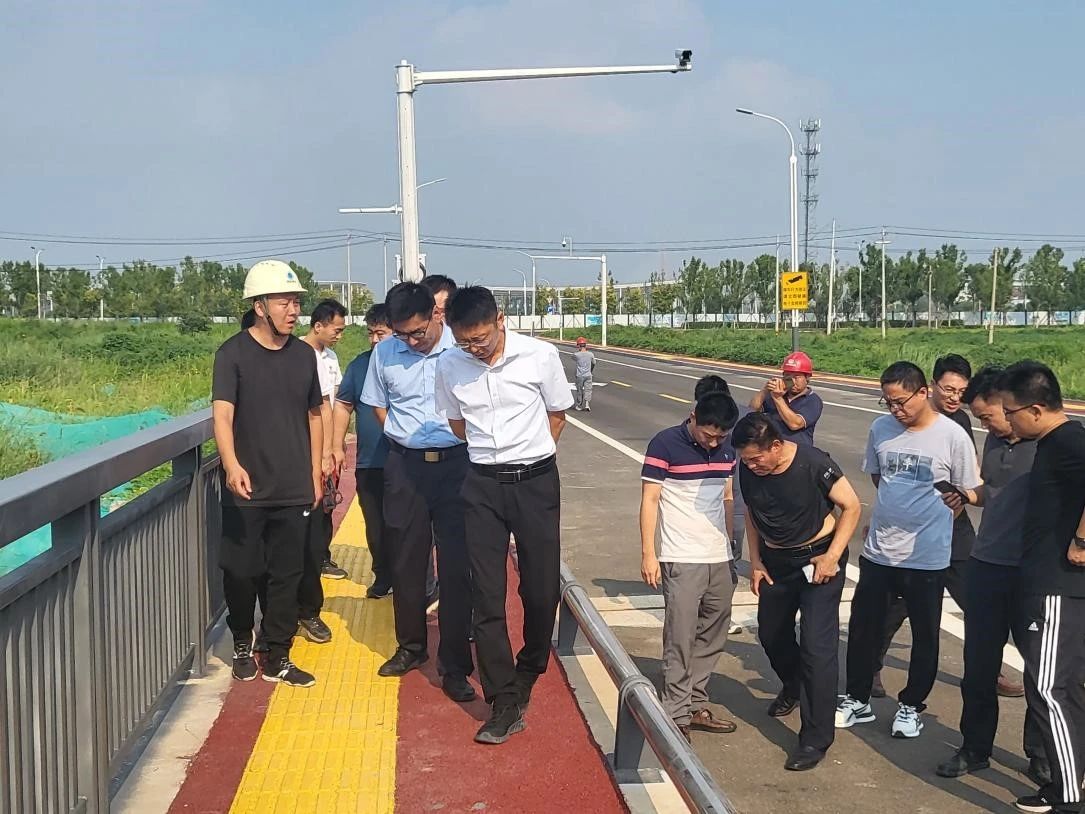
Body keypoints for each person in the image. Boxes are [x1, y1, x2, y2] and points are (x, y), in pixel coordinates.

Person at [435, 286, 573, 744]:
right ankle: (503, 700)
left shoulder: (539, 356)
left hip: (536, 482)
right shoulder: (449, 365)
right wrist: (494, 456)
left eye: (480, 339)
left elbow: (557, 414)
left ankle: (531, 662)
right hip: (481, 485)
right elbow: (457, 424)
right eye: (464, 342)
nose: (473, 348)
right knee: (486, 592)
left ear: (500, 320)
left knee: (541, 588)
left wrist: (530, 455)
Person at [836, 361, 980, 739]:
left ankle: (912, 706)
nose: (895, 409)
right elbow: (879, 475)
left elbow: (969, 489)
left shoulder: (952, 435)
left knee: (924, 635)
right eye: (888, 402)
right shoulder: (880, 428)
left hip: (927, 557)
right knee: (863, 628)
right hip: (880, 551)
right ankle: (857, 698)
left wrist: (940, 515)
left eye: (901, 401)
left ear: (922, 393)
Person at [871, 354, 1016, 696]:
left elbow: (970, 478)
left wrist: (963, 499)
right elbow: (884, 477)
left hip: (955, 529)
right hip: (913, 540)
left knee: (979, 603)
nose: (955, 397)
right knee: (896, 607)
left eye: (961, 392)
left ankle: (989, 670)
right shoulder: (896, 425)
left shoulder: (961, 423)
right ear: (930, 387)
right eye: (949, 389)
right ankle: (872, 667)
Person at [360, 282, 475, 704]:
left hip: (457, 465)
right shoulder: (385, 353)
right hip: (405, 467)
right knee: (406, 560)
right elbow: (377, 402)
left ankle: (456, 665)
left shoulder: (461, 351)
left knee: (457, 565)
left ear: (436, 315)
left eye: (418, 332)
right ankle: (411, 647)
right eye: (402, 334)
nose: (411, 341)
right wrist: (401, 433)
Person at [211, 259, 323, 688]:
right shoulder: (232, 354)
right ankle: (243, 640)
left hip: (294, 486)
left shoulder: (304, 356)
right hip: (247, 486)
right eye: (284, 302)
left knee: (287, 576)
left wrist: (315, 473)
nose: (293, 311)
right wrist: (232, 464)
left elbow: (314, 415)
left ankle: (278, 654)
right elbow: (223, 416)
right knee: (241, 571)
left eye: (296, 302)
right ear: (259, 307)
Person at [935, 366, 1049, 785]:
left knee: (1040, 671)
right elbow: (994, 490)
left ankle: (1041, 755)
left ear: (1011, 403)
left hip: (1033, 574)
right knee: (979, 667)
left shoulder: (1051, 444)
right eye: (980, 418)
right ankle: (974, 748)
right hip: (986, 564)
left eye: (988, 416)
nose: (985, 425)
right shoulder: (997, 440)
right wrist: (967, 495)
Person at [737, 413, 861, 771]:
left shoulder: (813, 463)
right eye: (746, 460)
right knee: (771, 633)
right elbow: (752, 514)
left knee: (816, 648)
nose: (751, 466)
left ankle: (815, 739)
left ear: (776, 446)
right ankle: (793, 685)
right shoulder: (749, 467)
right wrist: (755, 561)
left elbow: (852, 506)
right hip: (776, 562)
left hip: (819, 560)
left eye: (756, 459)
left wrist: (832, 557)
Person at [998, 361, 1085, 814]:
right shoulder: (1053, 443)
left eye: (1010, 412)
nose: (1006, 420)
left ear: (1035, 408)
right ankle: (1067, 782)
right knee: (1063, 687)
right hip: (1050, 584)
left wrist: (1081, 541)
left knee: (1051, 689)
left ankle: (1069, 795)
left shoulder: (1069, 440)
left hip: (1056, 586)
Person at [639, 390, 741, 744]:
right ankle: (676, 712)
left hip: (718, 555)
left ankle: (696, 702)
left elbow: (727, 496)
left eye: (720, 437)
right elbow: (650, 499)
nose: (713, 442)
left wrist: (730, 545)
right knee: (680, 636)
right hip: (681, 555)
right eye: (708, 434)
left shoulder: (727, 450)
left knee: (713, 632)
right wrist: (648, 553)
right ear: (693, 416)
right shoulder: (665, 443)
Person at [333, 303, 394, 599]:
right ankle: (382, 575)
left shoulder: (407, 364)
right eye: (370, 333)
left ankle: (413, 579)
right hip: (370, 462)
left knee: (407, 525)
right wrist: (336, 445)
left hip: (404, 461)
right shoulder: (359, 366)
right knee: (375, 524)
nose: (374, 339)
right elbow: (343, 405)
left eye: (380, 333)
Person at [694, 374, 744, 636]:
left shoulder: (742, 423)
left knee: (728, 565)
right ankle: (698, 616)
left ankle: (720, 615)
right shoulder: (694, 429)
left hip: (734, 505)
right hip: (700, 509)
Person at [748, 351, 823, 446]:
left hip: (797, 450)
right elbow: (751, 410)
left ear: (807, 378)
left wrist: (778, 399)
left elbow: (795, 424)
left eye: (797, 377)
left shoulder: (813, 400)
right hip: (770, 448)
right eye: (788, 376)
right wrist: (765, 390)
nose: (792, 381)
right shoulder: (776, 394)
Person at [572, 337, 596, 411]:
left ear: (578, 345)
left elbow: (573, 358)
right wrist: (590, 370)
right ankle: (587, 404)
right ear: (585, 345)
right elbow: (594, 363)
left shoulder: (576, 355)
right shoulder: (591, 354)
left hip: (580, 375)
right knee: (588, 390)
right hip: (588, 375)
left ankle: (579, 405)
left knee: (579, 390)